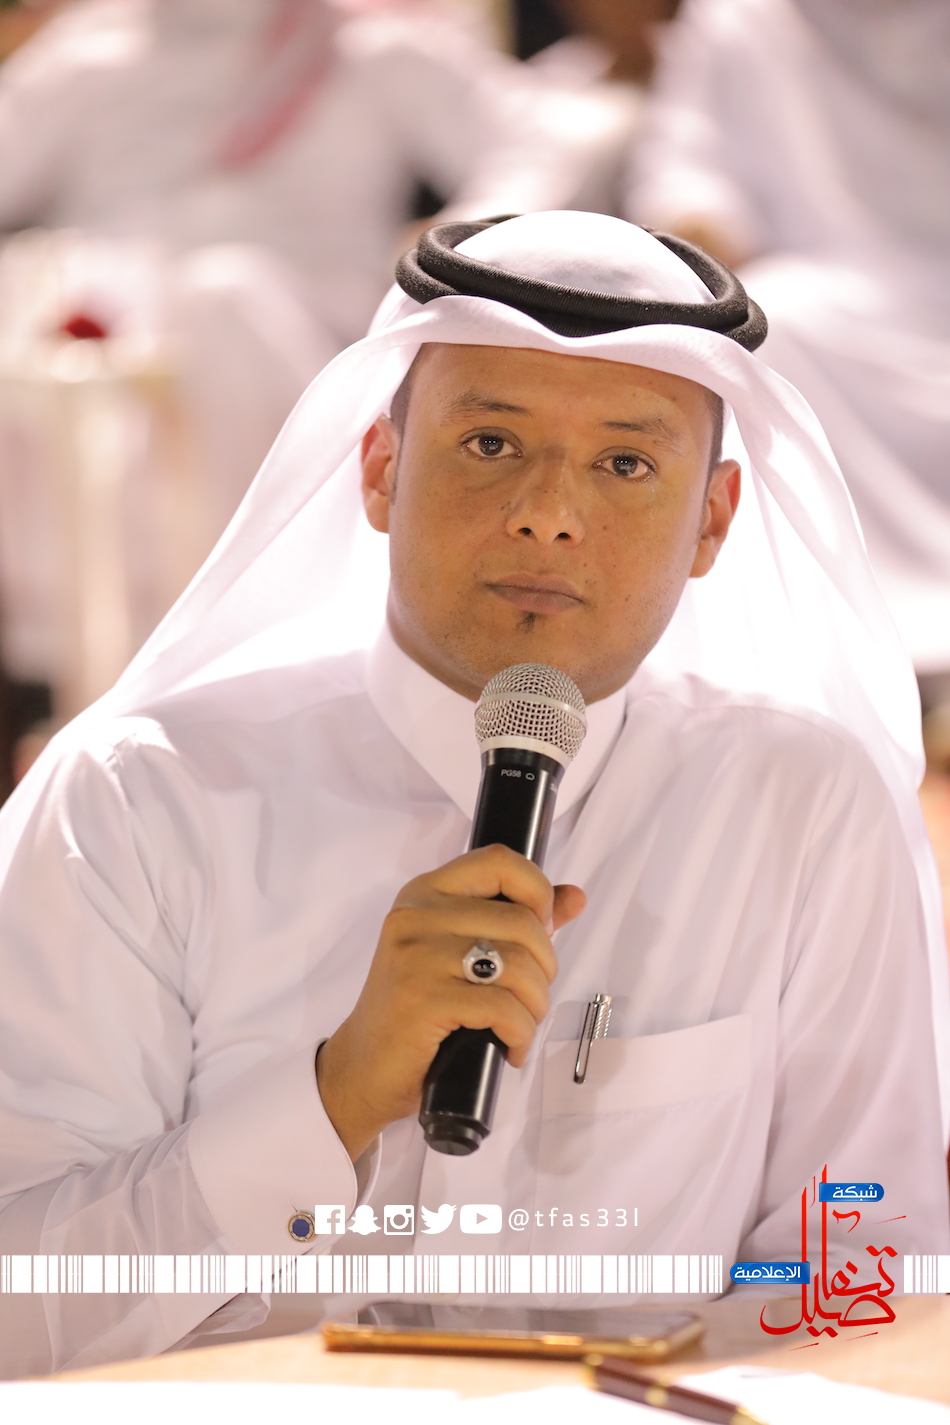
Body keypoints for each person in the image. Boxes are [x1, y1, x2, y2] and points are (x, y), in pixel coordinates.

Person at [0, 212, 947, 1378]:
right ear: (380, 470)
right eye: (491, 443)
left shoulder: (801, 809)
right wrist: (334, 1098)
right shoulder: (137, 800)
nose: (548, 511)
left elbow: (856, 1264)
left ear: (709, 521)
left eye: (624, 464)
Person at [627, 0, 950, 749]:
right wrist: (697, 219)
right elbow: (688, 160)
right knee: (772, 333)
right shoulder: (742, 17)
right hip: (831, 288)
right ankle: (868, 670)